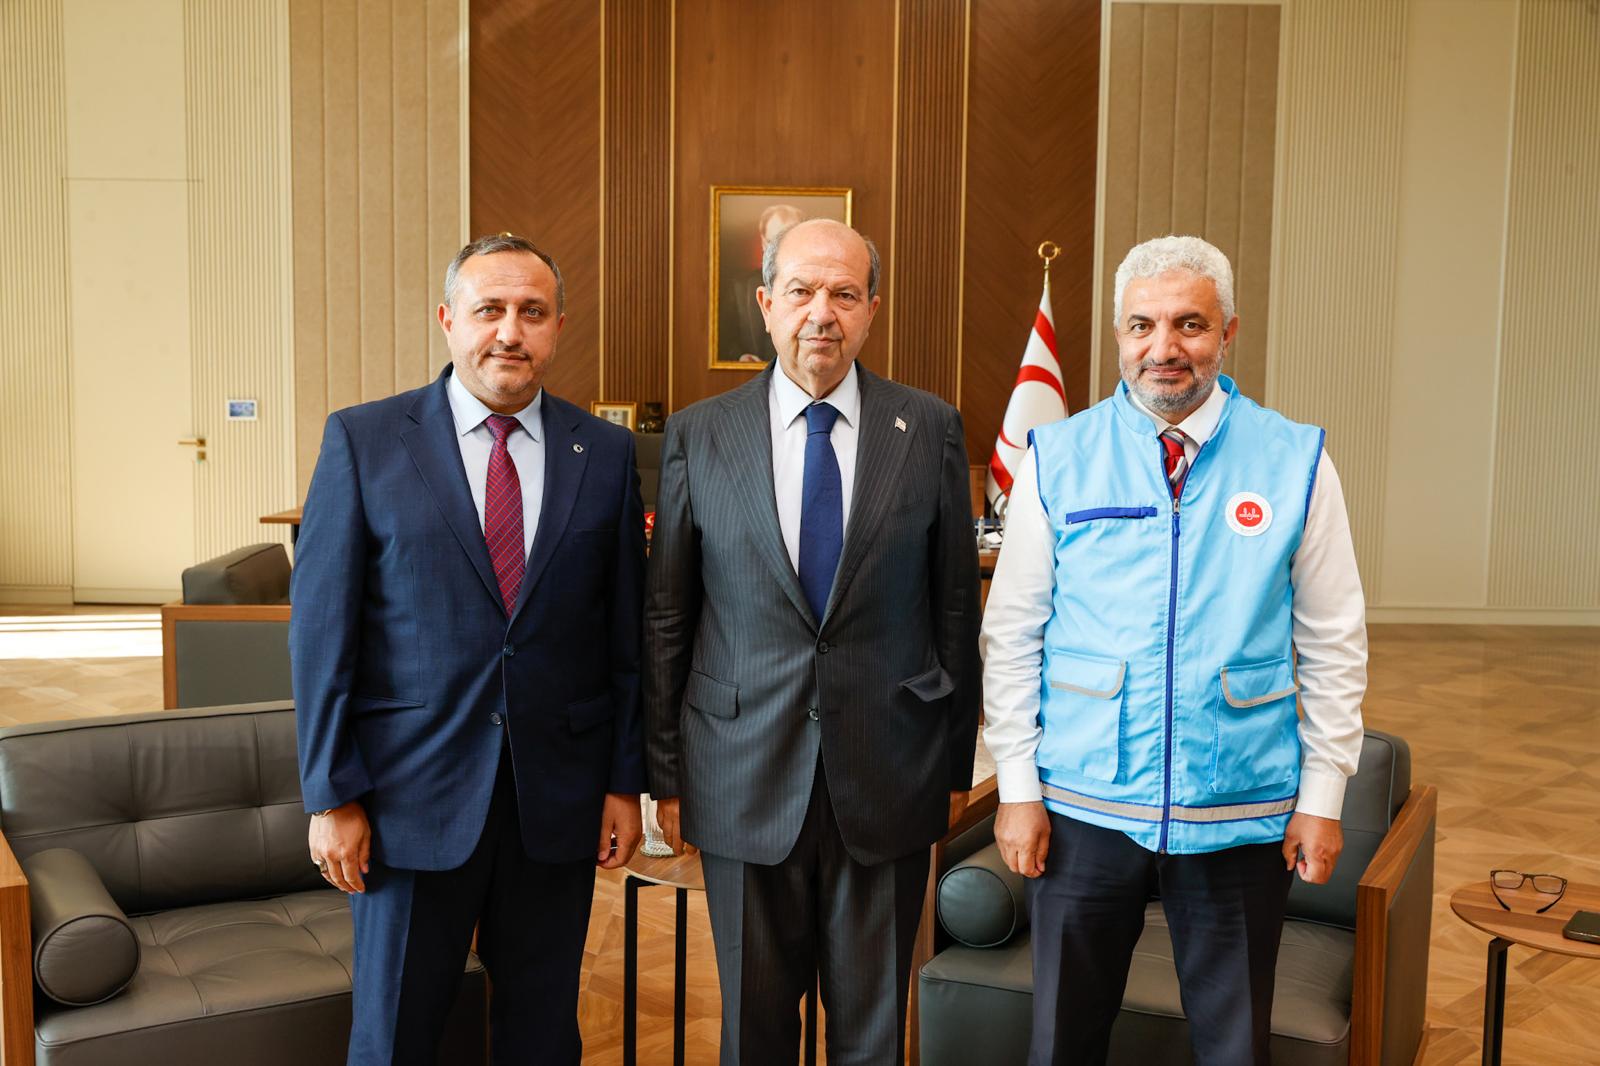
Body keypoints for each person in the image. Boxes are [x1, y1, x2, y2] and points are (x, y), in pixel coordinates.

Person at [980, 235, 1366, 1066]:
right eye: (1142, 325)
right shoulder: (1060, 457)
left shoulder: (1297, 461)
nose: (1164, 348)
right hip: (1081, 804)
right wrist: (1016, 787)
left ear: (1229, 331)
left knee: (1234, 1047)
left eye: (1190, 324)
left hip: (1240, 807)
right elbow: (1011, 634)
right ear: (1119, 334)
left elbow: (1334, 639)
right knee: (1062, 1041)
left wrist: (1323, 794)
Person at [290, 233, 646, 1065]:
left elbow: (622, 635)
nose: (510, 332)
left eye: (532, 312)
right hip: (405, 801)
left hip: (555, 800)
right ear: (449, 320)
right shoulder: (365, 440)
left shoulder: (605, 453)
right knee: (395, 1038)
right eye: (490, 310)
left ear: (558, 328)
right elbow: (322, 634)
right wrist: (330, 795)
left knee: (542, 1035)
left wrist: (623, 782)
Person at [646, 218, 982, 1065]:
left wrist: (953, 767)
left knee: (873, 1033)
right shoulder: (698, 434)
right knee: (754, 1030)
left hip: (889, 769)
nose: (821, 313)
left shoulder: (930, 428)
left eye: (843, 293)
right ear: (766, 304)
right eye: (800, 291)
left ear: (873, 309)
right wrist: (665, 774)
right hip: (740, 769)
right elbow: (669, 616)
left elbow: (953, 609)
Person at [720, 202, 804, 363]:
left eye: (789, 240)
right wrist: (740, 357)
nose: (780, 250)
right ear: (763, 242)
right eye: (773, 241)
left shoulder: (821, 287)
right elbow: (723, 340)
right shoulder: (739, 288)